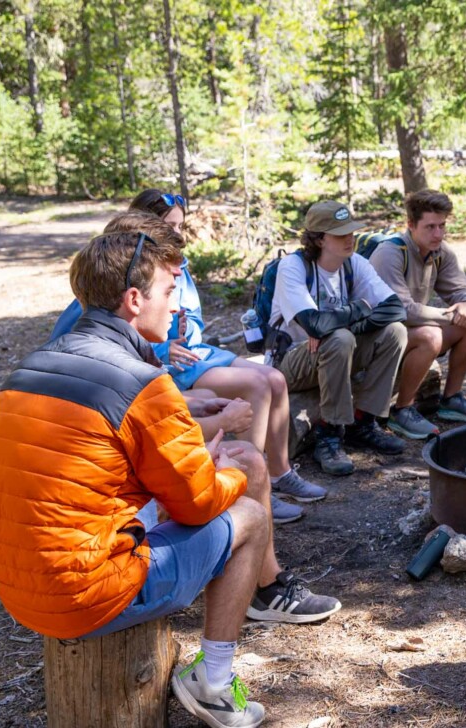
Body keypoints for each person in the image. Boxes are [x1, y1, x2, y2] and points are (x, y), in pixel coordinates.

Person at [0, 232, 338, 728]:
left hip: (9, 578)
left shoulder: (31, 367)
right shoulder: (143, 383)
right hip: (79, 592)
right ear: (134, 299)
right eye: (170, 291)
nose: (177, 305)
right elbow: (198, 505)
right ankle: (212, 681)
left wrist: (195, 442)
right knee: (248, 512)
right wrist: (232, 470)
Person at [51, 191, 328, 525]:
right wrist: (218, 420)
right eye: (170, 230)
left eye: (180, 227)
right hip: (99, 507)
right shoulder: (96, 329)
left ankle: (269, 477)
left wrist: (183, 333)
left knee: (267, 380)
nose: (178, 272)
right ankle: (248, 487)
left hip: (188, 360)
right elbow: (137, 420)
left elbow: (188, 324)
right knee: (242, 393)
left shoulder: (148, 292)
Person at [271, 200, 409, 476]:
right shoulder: (293, 267)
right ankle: (329, 434)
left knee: (395, 332)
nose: (350, 239)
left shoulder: (353, 263)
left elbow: (396, 308)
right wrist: (358, 309)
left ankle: (363, 421)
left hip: (335, 348)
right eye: (341, 234)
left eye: (351, 231)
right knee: (339, 338)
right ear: (320, 239)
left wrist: (343, 327)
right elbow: (313, 323)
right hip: (291, 362)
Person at [370, 190, 466, 439]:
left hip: (408, 333)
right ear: (411, 225)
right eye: (430, 227)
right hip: (377, 341)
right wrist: (451, 315)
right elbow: (401, 310)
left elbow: (464, 291)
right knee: (430, 335)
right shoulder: (390, 254)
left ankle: (451, 399)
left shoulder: (440, 252)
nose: (438, 234)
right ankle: (402, 410)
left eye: (442, 226)